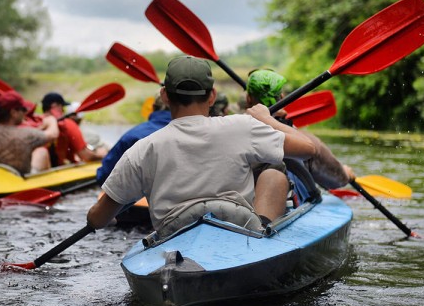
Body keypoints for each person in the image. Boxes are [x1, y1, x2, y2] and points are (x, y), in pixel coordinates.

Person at [87, 56, 317, 234]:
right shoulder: (242, 126)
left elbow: (98, 219)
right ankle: (265, 229)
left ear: (165, 96)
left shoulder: (143, 148)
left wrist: (101, 217)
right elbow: (309, 149)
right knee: (274, 169)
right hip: (239, 227)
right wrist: (267, 120)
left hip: (173, 234)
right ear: (212, 96)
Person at [244, 69, 356, 195]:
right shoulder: (302, 141)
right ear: (282, 97)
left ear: (248, 99)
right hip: (285, 200)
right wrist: (345, 175)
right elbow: (336, 181)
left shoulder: (231, 127)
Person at [95, 93, 172, 185]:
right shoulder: (191, 134)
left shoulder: (132, 135)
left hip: (137, 195)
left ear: (153, 108)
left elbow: (105, 175)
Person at [41, 92, 108, 167]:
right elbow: (86, 156)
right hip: (58, 172)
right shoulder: (68, 124)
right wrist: (104, 156)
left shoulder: (36, 122)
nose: (63, 110)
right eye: (62, 107)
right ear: (55, 106)